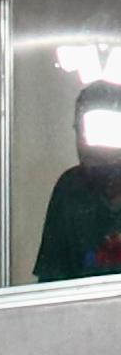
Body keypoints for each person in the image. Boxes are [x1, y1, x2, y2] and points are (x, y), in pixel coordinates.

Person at [35, 79, 121, 280]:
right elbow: (50, 285)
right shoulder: (71, 188)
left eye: (98, 132)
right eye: (79, 131)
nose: (84, 145)